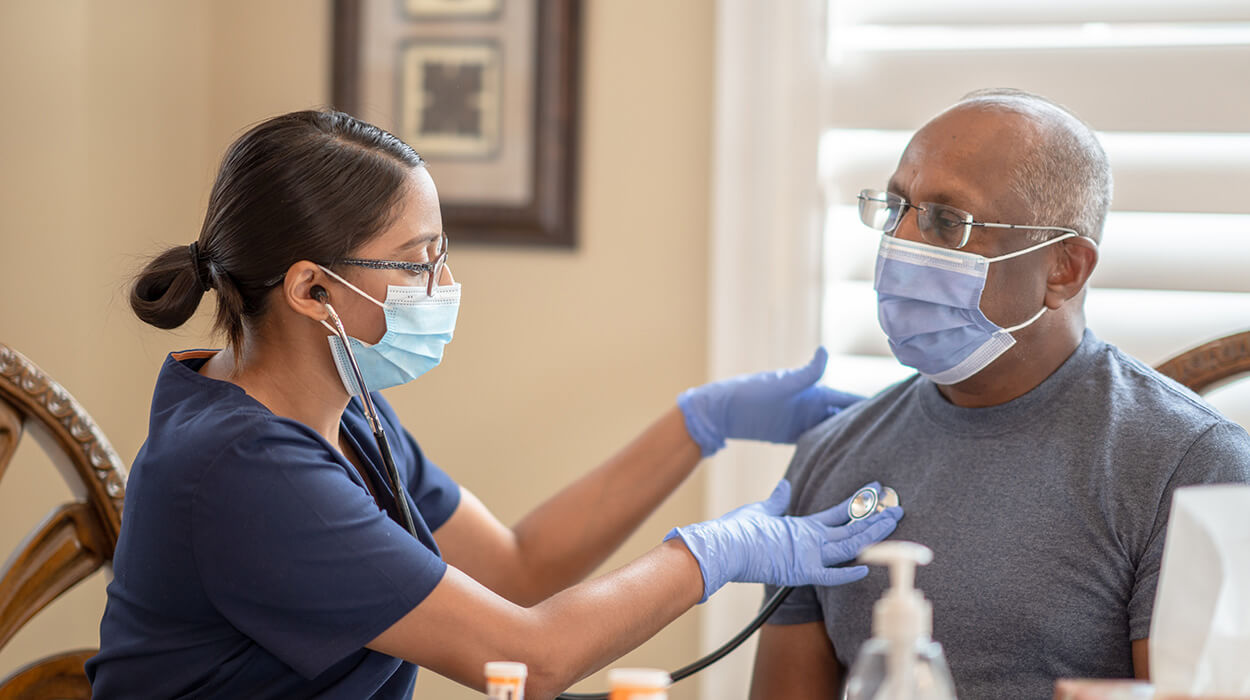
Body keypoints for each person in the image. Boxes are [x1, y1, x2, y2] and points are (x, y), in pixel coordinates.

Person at [84, 110, 902, 700]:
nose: (444, 290)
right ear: (310, 288)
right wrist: (716, 553)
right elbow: (528, 658)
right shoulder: (243, 469)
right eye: (417, 264)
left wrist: (698, 424)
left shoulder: (345, 410)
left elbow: (516, 568)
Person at [748, 88, 1250, 700]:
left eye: (946, 220)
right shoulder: (832, 453)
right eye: (898, 207)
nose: (900, 243)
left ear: (1064, 268)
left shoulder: (1188, 463)